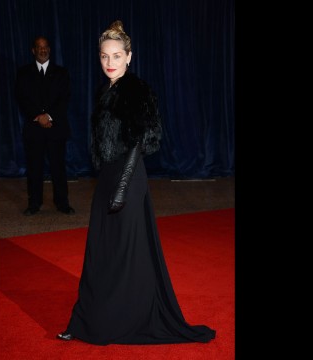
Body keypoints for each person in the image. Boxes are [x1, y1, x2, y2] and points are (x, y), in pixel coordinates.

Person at [56, 20, 216, 345]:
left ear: (129, 56)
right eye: (104, 56)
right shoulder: (106, 90)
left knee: (124, 255)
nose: (110, 62)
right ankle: (86, 320)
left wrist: (122, 186)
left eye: (117, 55)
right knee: (100, 252)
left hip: (127, 177)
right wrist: (109, 182)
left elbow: (141, 140)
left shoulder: (136, 89)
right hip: (109, 177)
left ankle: (117, 320)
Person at [15, 36, 75, 216]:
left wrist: (48, 116)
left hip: (56, 128)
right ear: (33, 50)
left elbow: (64, 99)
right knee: (34, 168)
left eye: (46, 47)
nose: (43, 50)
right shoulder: (23, 73)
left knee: (58, 167)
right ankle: (34, 203)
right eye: (39, 47)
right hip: (34, 129)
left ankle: (62, 203)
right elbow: (22, 98)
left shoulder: (62, 73)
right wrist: (38, 117)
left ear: (49, 49)